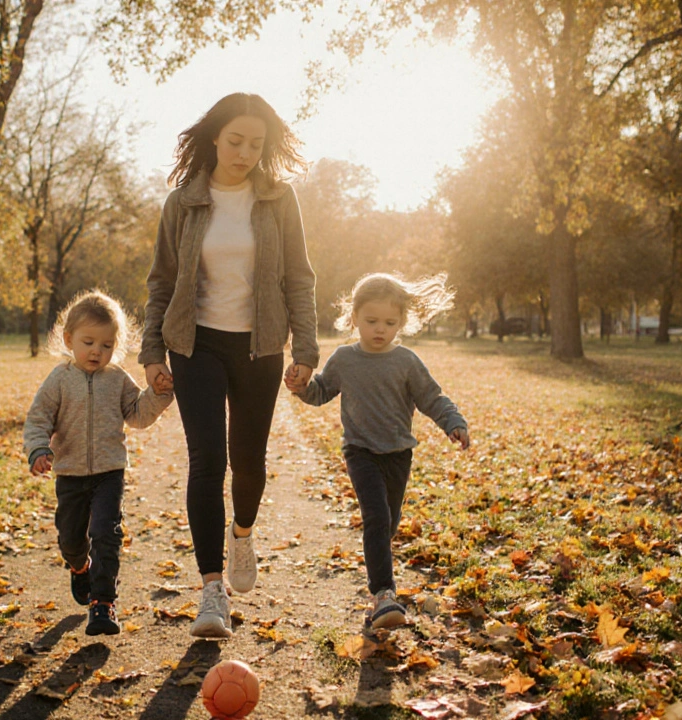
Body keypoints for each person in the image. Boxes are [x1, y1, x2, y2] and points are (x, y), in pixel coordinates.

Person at [140, 93, 319, 638]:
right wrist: (151, 352)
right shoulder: (183, 203)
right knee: (206, 460)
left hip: (259, 345)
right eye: (236, 140)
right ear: (215, 137)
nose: (245, 153)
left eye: (256, 144)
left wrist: (305, 351)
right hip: (195, 344)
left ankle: (242, 534)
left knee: (248, 460)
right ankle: (211, 590)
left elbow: (299, 279)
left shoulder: (279, 199)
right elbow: (161, 283)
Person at [285, 272, 470, 630]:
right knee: (376, 517)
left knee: (388, 523)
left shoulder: (407, 362)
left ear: (402, 322)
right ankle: (383, 595)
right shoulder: (344, 359)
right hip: (360, 451)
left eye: (390, 322)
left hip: (398, 454)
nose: (380, 329)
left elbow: (432, 398)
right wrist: (301, 387)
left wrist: (453, 422)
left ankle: (379, 567)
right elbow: (321, 391)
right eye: (371, 321)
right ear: (354, 319)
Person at [24, 290, 174, 636]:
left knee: (106, 533)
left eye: (106, 345)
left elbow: (137, 415)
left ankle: (103, 603)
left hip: (109, 472)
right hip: (70, 473)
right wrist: (38, 449)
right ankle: (80, 567)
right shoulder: (59, 380)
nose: (97, 351)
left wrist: (160, 394)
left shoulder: (117, 379)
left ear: (116, 347)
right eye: (89, 342)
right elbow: (38, 419)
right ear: (68, 340)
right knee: (71, 539)